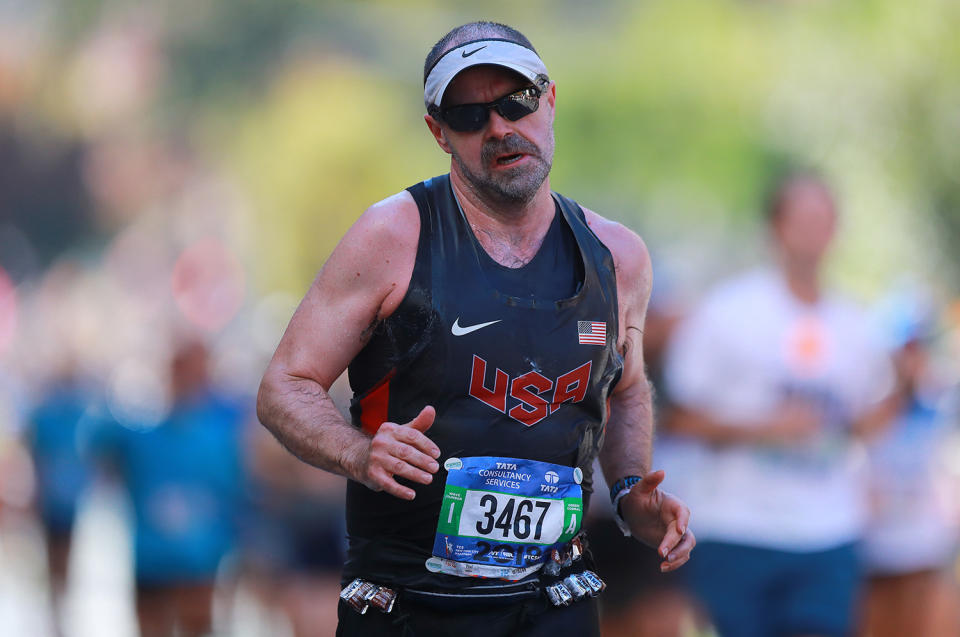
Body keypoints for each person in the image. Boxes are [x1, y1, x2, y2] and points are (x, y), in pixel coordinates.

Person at [257, 20, 694, 637]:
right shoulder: (393, 236)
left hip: (555, 598)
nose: (498, 128)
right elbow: (284, 386)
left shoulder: (617, 256)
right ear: (439, 132)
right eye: (468, 115)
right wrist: (359, 453)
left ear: (549, 99)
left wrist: (629, 497)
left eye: (516, 101)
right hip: (410, 598)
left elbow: (625, 391)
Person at [662, 173, 896, 637]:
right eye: (802, 219)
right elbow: (677, 418)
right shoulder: (727, 312)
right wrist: (764, 428)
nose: (814, 231)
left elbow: (868, 420)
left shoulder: (856, 324)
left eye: (824, 219)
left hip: (829, 534)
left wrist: (902, 391)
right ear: (774, 228)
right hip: (738, 529)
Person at [92, 340, 248, 637]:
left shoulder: (223, 433)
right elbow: (99, 450)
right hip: (152, 558)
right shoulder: (141, 432)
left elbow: (236, 495)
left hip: (199, 560)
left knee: (196, 624)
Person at [859, 300, 960, 637]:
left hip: (926, 546)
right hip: (872, 548)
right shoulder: (867, 401)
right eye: (906, 349)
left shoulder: (941, 400)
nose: (912, 359)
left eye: (919, 348)